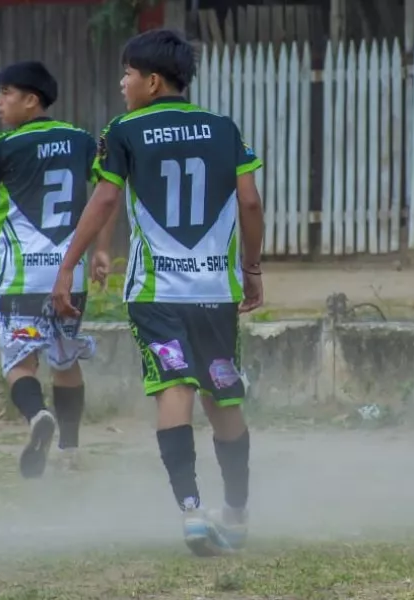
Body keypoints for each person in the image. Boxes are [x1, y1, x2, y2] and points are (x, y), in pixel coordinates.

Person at [49, 29, 265, 557]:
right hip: (215, 290)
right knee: (222, 392)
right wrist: (252, 269)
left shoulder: (124, 130)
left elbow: (104, 201)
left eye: (126, 74)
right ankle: (235, 516)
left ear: (150, 80)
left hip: (156, 292)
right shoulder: (223, 127)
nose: (121, 85)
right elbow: (251, 202)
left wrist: (67, 265)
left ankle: (191, 513)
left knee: (174, 388)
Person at [0, 60, 111, 479]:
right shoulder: (82, 140)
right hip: (71, 273)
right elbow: (107, 194)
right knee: (65, 359)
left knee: (20, 362)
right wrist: (101, 250)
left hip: (21, 275)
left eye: (6, 93)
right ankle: (69, 449)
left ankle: (37, 417)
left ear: (32, 101)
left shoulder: (3, 146)